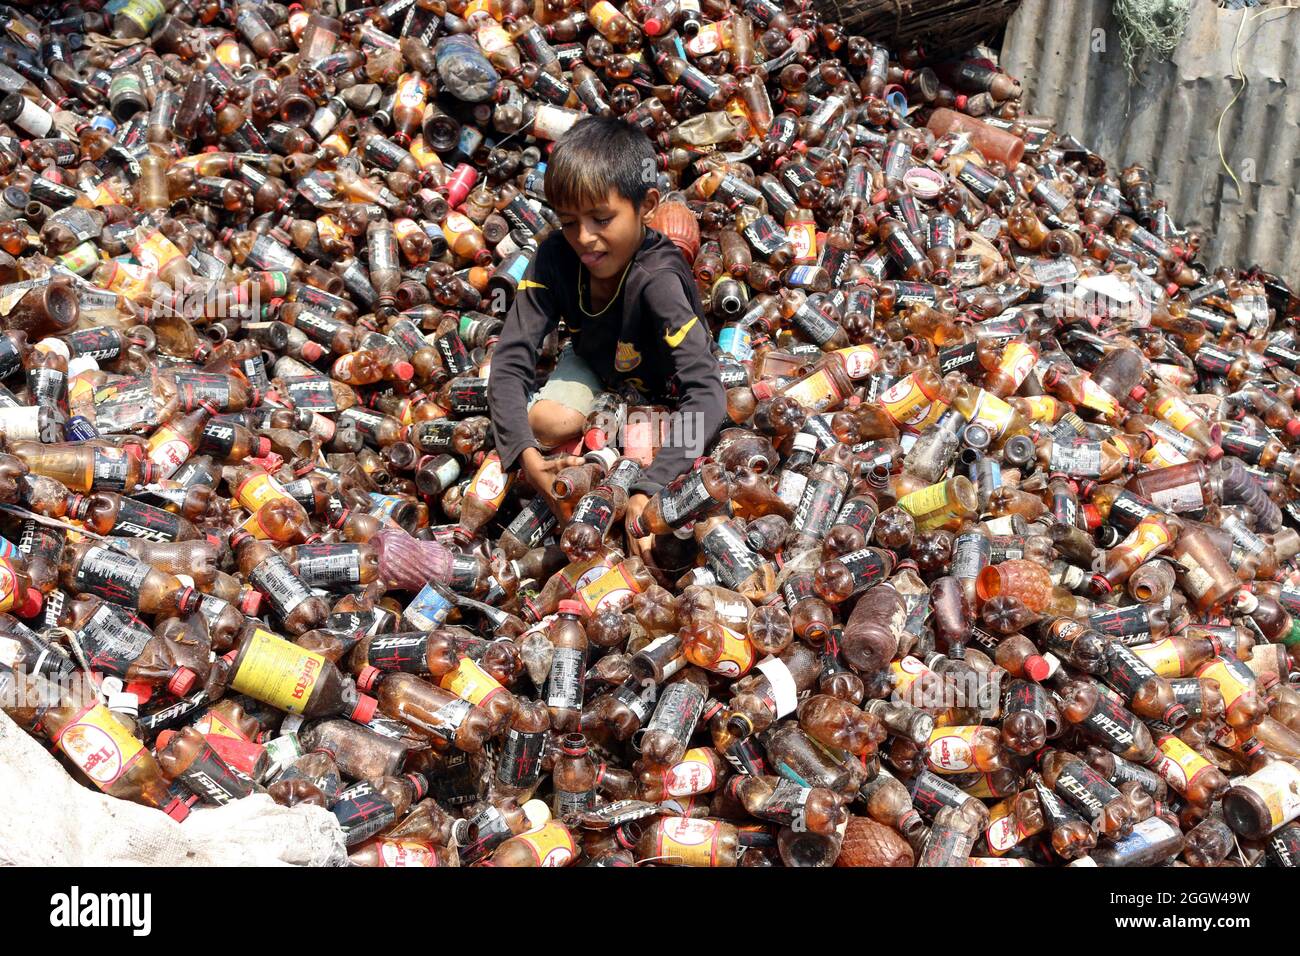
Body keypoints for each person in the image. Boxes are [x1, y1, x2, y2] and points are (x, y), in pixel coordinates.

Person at [487, 116, 727, 561]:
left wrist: (651, 486)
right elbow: (511, 357)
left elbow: (708, 395)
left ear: (647, 205)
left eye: (602, 218)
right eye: (569, 221)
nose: (584, 238)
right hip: (598, 362)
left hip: (663, 386)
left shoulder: (658, 280)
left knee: (664, 506)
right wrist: (522, 453)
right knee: (545, 424)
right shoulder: (554, 257)